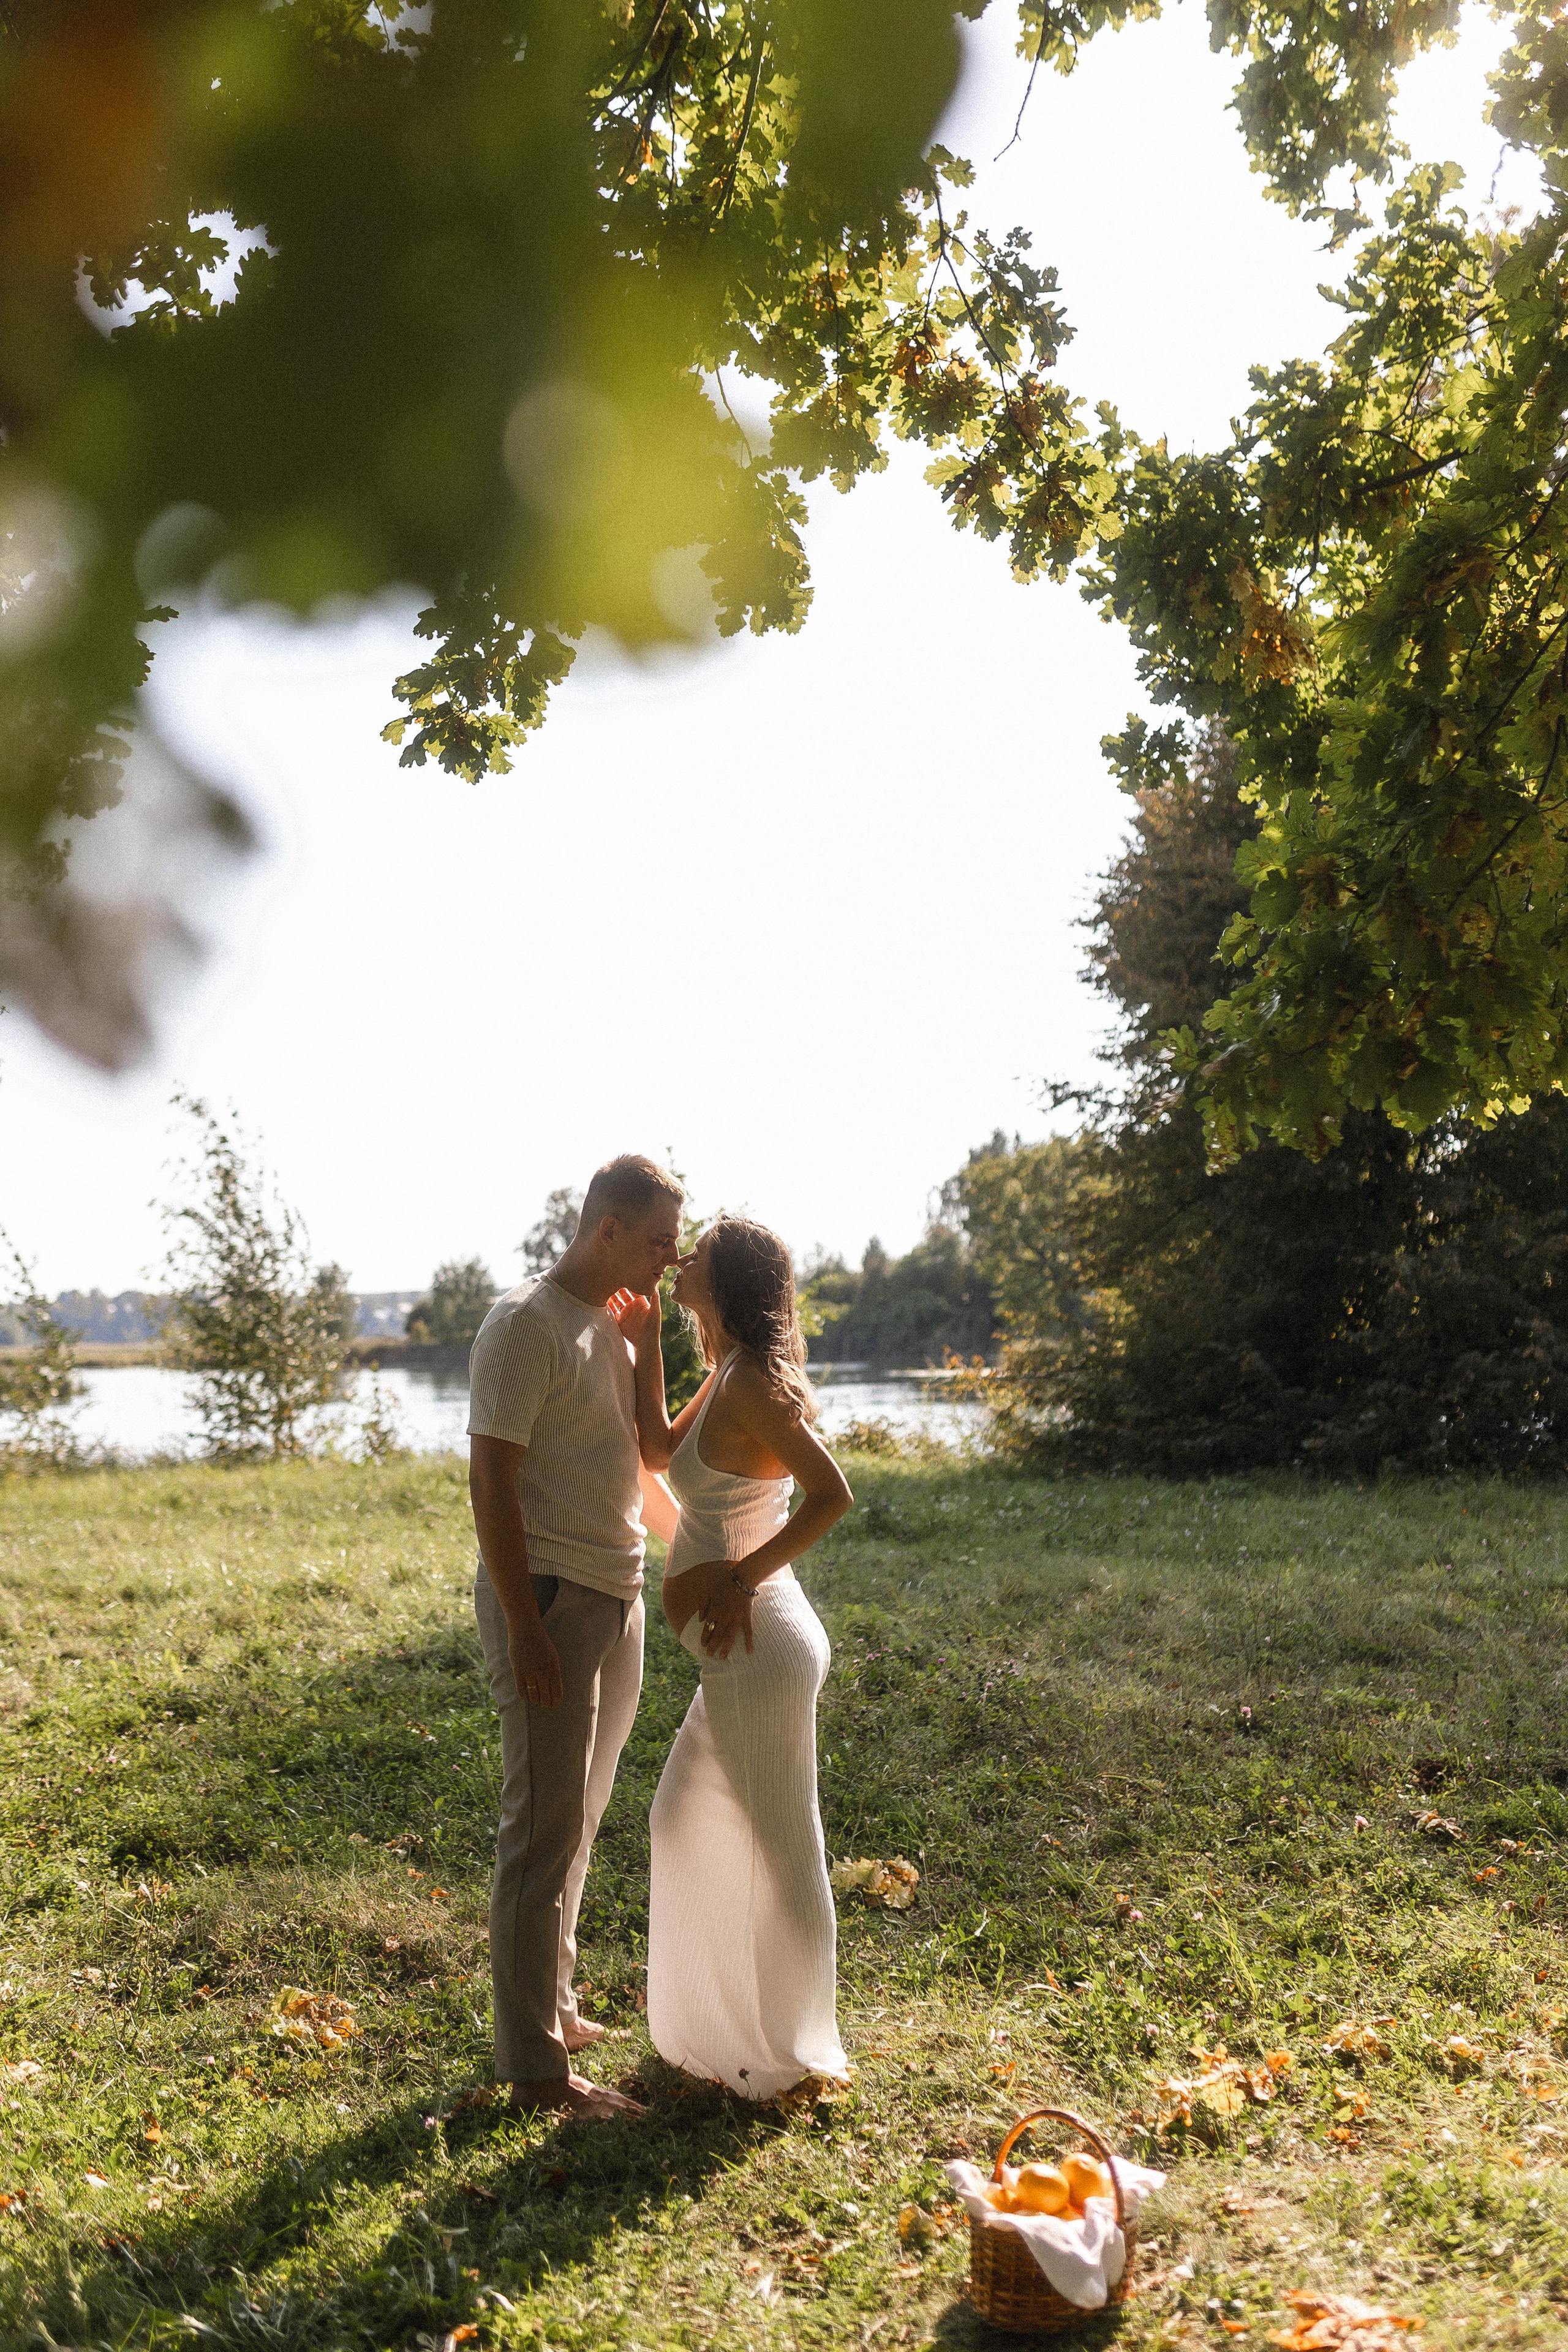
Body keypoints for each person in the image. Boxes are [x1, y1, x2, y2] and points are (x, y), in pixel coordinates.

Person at [610, 1215, 854, 2100]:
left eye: (697, 1254)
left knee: (786, 1845)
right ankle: (718, 2033)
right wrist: (642, 1347)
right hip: (743, 1659)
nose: (680, 1260)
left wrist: (741, 1579)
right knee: (682, 1821)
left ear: (731, 1278)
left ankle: (795, 2053)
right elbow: (656, 1456)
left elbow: (833, 1495)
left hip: (762, 1650)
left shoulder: (753, 1382)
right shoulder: (724, 1374)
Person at [468, 1153, 684, 2118]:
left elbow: (646, 1453)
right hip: (552, 1598)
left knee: (582, 1818)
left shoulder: (608, 1324)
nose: (672, 1260)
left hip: (616, 1591)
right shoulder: (524, 1326)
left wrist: (650, 1346)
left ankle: (553, 2006)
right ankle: (536, 2073)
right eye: (658, 1241)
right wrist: (526, 1627)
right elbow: (492, 1484)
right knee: (541, 1830)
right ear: (607, 1229)